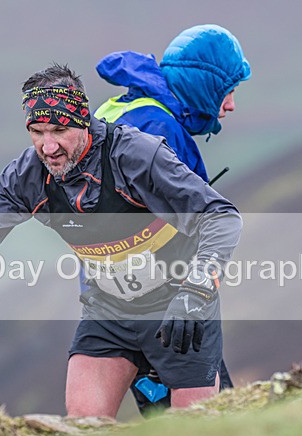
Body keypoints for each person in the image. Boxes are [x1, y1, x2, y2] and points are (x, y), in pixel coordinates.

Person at [0, 63, 242, 418]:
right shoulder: (29, 175)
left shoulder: (134, 156)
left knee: (196, 430)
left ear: (83, 122)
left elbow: (221, 217)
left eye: (59, 130)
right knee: (83, 427)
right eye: (36, 131)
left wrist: (198, 288)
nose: (48, 147)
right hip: (108, 312)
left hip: (178, 309)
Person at [94, 24, 252, 413]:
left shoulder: (128, 109)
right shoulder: (157, 127)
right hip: (162, 301)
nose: (231, 105)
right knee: (212, 422)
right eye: (227, 90)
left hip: (118, 295)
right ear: (203, 84)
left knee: (166, 421)